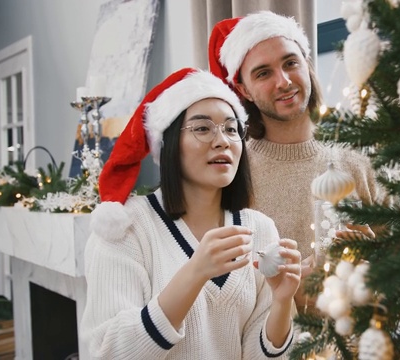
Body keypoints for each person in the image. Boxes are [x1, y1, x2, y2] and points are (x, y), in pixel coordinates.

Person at [80, 68, 301, 359]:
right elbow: (107, 352)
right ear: (168, 144)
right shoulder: (126, 229)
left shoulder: (259, 229)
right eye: (202, 128)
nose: (222, 140)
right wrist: (195, 273)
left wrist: (283, 301)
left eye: (232, 128)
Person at [208, 11, 385, 307]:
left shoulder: (356, 159)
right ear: (243, 90)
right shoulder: (231, 173)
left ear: (306, 63)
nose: (284, 81)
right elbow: (223, 295)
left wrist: (376, 259)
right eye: (263, 73)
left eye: (291, 63)